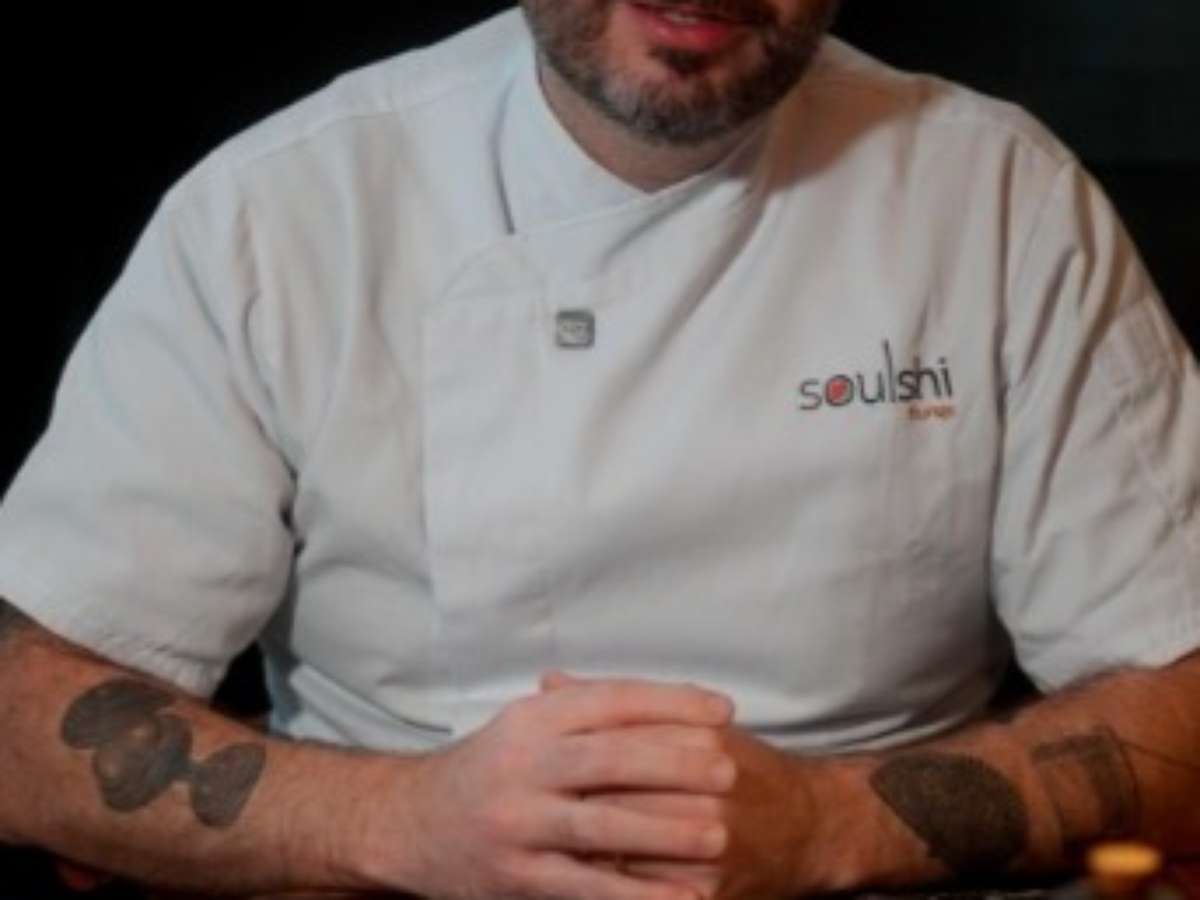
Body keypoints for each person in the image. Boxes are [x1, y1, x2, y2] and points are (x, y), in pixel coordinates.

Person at [0, 2, 1197, 898]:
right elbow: (19, 721)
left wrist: (829, 827)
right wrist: (401, 824)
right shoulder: (283, 207)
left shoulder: (1000, 196)